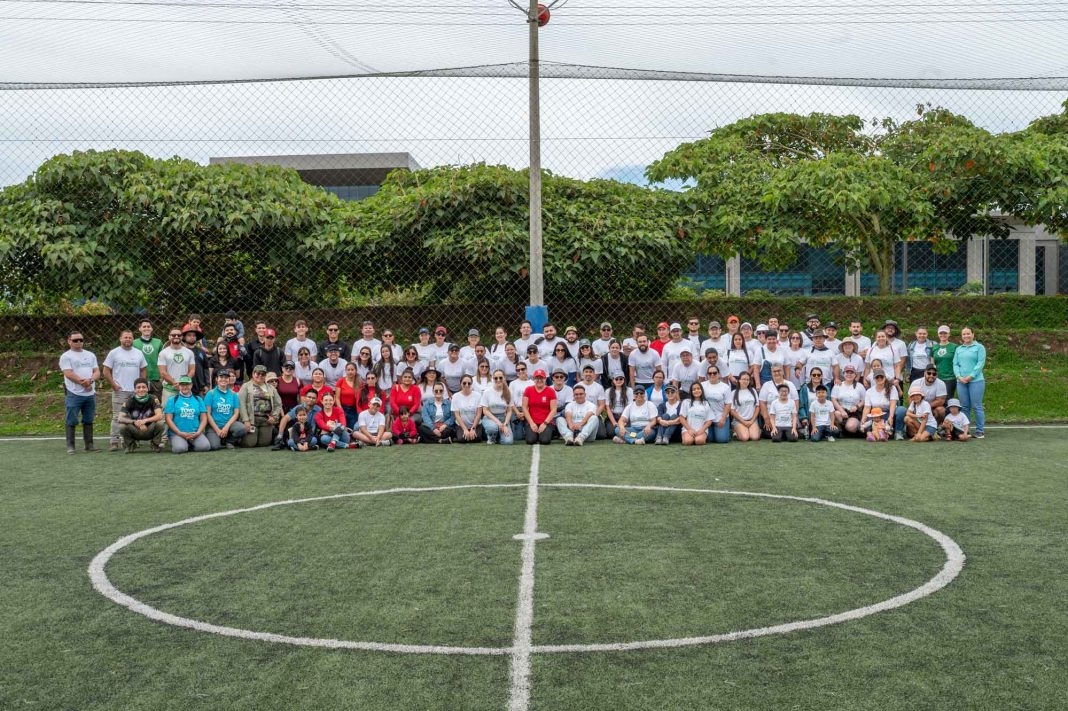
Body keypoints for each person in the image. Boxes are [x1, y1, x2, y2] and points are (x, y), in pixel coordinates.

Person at [103, 329, 149, 451]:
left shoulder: (138, 353)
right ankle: (114, 441)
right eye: (125, 337)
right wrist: (113, 384)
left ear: (133, 339)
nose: (128, 339)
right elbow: (106, 371)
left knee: (135, 416)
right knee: (118, 416)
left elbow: (144, 369)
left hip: (135, 392)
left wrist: (141, 386)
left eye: (130, 337)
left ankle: (129, 440)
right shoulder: (114, 353)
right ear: (120, 339)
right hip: (120, 390)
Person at [60, 331, 101, 455]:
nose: (78, 342)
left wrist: (91, 380)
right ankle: (71, 446)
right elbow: (68, 373)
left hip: (90, 394)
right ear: (69, 341)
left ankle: (89, 445)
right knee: (71, 420)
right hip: (74, 393)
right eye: (75, 340)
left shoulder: (90, 355)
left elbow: (97, 371)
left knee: (88, 419)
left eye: (80, 340)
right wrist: (83, 382)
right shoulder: (66, 356)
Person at [953, 326, 986, 439]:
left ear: (973, 334)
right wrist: (959, 376)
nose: (966, 336)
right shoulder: (959, 349)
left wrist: (971, 376)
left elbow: (980, 363)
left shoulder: (979, 347)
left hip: (976, 381)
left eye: (968, 334)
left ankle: (980, 431)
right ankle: (965, 430)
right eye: (964, 334)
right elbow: (955, 364)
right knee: (965, 407)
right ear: (961, 336)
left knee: (977, 406)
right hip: (961, 381)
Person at [116, 378, 165, 453]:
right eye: (138, 387)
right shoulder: (130, 400)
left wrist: (145, 421)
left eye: (143, 387)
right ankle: (131, 445)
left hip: (149, 429)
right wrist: (134, 422)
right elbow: (120, 418)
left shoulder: (153, 398)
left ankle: (155, 444)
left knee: (160, 423)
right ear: (134, 390)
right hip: (135, 430)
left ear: (147, 388)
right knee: (122, 426)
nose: (141, 389)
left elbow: (159, 415)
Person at [164, 376, 210, 453]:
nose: (185, 387)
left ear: (191, 385)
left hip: (194, 433)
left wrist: (198, 432)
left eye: (187, 384)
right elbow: (168, 419)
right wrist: (179, 433)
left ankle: (190, 443)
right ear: (179, 386)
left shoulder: (198, 399)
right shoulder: (172, 399)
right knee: (180, 449)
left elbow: (204, 418)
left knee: (205, 447)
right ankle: (181, 443)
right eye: (182, 385)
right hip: (177, 433)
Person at [239, 365, 282, 448]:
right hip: (252, 420)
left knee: (264, 444)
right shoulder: (246, 386)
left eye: (263, 374)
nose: (260, 376)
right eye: (258, 373)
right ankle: (237, 437)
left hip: (266, 420)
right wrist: (246, 420)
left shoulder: (271, 388)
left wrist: (274, 416)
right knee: (250, 444)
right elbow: (242, 404)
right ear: (253, 374)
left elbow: (278, 404)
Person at [204, 368, 247, 449]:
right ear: (216, 379)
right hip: (214, 425)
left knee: (242, 428)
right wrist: (217, 430)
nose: (223, 379)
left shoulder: (233, 394)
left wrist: (226, 427)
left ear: (229, 379)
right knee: (214, 446)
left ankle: (229, 441)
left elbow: (236, 413)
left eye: (226, 377)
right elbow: (208, 414)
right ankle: (219, 437)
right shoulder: (211, 393)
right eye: (221, 377)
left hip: (228, 424)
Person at [862, 369, 905, 440]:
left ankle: (898, 432)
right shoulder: (869, 391)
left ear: (885, 378)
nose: (879, 379)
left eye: (881, 377)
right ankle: (875, 435)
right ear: (874, 379)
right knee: (866, 421)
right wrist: (863, 420)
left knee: (901, 410)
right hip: (876, 415)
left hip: (890, 413)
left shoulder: (892, 388)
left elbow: (893, 403)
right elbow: (867, 408)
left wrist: (891, 417)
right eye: (877, 377)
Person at [157, 327, 194, 408]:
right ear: (169, 337)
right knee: (167, 412)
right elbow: (162, 372)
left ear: (182, 337)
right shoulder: (163, 353)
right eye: (173, 335)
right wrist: (174, 383)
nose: (176, 336)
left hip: (185, 388)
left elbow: (192, 370)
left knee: (185, 410)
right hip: (169, 389)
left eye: (179, 335)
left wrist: (184, 382)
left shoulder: (189, 352)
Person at [700, 363, 732, 444]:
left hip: (720, 416)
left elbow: (728, 404)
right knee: (709, 440)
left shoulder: (725, 387)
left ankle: (727, 432)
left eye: (714, 373)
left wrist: (723, 419)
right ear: (707, 375)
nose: (712, 375)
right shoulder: (702, 385)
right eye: (710, 373)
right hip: (707, 418)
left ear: (719, 374)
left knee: (722, 440)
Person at [523, 369, 557, 445]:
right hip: (532, 421)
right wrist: (531, 423)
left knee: (545, 441)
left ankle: (546, 433)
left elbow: (554, 409)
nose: (539, 380)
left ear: (545, 379)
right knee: (530, 441)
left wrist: (545, 423)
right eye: (537, 378)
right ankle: (536, 434)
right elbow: (524, 408)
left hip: (546, 422)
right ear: (533, 379)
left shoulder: (550, 391)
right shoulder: (528, 390)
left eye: (541, 378)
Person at [480, 369, 514, 444]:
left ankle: (498, 436)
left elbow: (509, 411)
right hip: (490, 418)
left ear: (504, 378)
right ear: (493, 378)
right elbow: (485, 410)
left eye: (500, 378)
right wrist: (498, 423)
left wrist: (505, 424)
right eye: (496, 378)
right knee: (492, 428)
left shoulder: (509, 392)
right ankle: (491, 437)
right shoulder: (487, 392)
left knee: (508, 442)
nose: (498, 380)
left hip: (503, 418)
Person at [831, 365, 866, 436]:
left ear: (855, 375)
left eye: (851, 373)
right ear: (844, 374)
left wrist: (856, 406)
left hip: (854, 412)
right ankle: (842, 432)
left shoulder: (860, 386)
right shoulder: (838, 385)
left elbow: (864, 400)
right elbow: (833, 399)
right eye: (847, 372)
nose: (849, 374)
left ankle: (853, 429)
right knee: (836, 413)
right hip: (842, 412)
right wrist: (842, 411)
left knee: (851, 426)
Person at [134, 318, 164, 399]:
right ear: (140, 329)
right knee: (141, 402)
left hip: (156, 378)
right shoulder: (134, 343)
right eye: (144, 327)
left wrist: (162, 377)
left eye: (148, 326)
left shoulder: (158, 342)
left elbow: (163, 360)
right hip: (140, 378)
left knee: (157, 402)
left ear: (152, 328)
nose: (146, 328)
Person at [180, 322, 211, 397]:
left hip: (200, 388)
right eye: (189, 335)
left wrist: (207, 384)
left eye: (194, 335)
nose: (192, 337)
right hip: (185, 387)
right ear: (184, 337)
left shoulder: (201, 352)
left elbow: (206, 368)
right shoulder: (181, 352)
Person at [451, 376, 484, 443]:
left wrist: (473, 428)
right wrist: (465, 429)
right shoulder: (455, 396)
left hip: (476, 425)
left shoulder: (478, 395)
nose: (467, 385)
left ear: (472, 384)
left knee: (476, 438)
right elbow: (457, 416)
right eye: (464, 383)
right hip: (461, 425)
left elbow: (478, 414)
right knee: (462, 439)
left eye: (469, 383)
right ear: (460, 384)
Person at [797, 367, 826, 440]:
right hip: (809, 417)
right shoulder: (804, 388)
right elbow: (801, 405)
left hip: (823, 417)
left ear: (822, 376)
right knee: (812, 435)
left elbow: (828, 405)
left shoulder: (826, 389)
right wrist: (804, 418)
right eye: (814, 375)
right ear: (810, 376)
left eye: (818, 375)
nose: (816, 376)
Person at [731, 371, 761, 441]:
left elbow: (757, 407)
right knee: (745, 438)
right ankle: (735, 430)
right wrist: (743, 422)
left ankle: (756, 429)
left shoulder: (753, 391)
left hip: (752, 420)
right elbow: (732, 411)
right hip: (739, 420)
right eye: (744, 379)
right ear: (739, 380)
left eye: (748, 379)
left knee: (755, 437)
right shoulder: (733, 393)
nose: (746, 381)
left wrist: (752, 420)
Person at [931, 325, 958, 399]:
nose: (943, 335)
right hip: (937, 378)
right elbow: (932, 362)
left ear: (949, 334)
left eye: (945, 333)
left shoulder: (954, 347)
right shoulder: (934, 347)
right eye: (941, 333)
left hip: (950, 377)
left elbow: (958, 362)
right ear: (938, 334)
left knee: (948, 399)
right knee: (937, 398)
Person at [604, 374, 631, 440]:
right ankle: (622, 437)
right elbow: (608, 408)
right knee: (610, 433)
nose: (618, 380)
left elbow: (628, 407)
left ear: (624, 380)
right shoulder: (608, 391)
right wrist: (614, 423)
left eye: (621, 379)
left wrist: (622, 421)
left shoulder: (629, 390)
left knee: (627, 430)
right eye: (616, 379)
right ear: (613, 380)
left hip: (624, 416)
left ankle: (621, 438)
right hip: (613, 416)